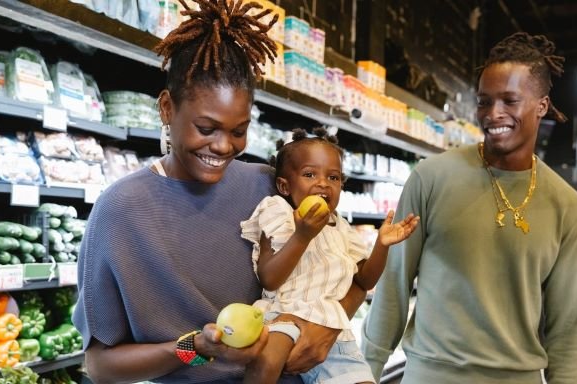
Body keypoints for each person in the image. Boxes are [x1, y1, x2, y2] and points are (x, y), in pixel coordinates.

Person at [72, 1, 366, 383]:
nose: (224, 146)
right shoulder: (121, 211)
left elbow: (346, 272)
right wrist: (196, 349)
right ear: (166, 109)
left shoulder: (268, 186)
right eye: (206, 128)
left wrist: (326, 327)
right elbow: (101, 366)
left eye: (238, 131)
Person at [361, 31, 577, 384]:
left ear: (542, 106)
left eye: (509, 100)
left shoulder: (567, 207)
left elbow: (569, 327)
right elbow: (393, 287)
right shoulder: (430, 178)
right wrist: (363, 370)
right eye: (485, 101)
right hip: (431, 376)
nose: (493, 114)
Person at [239, 128, 419, 384]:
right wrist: (302, 235)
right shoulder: (279, 212)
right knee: (266, 362)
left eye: (333, 177)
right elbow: (269, 278)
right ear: (284, 186)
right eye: (310, 174)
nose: (323, 183)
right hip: (284, 315)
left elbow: (365, 281)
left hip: (333, 327)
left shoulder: (342, 227)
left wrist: (382, 245)